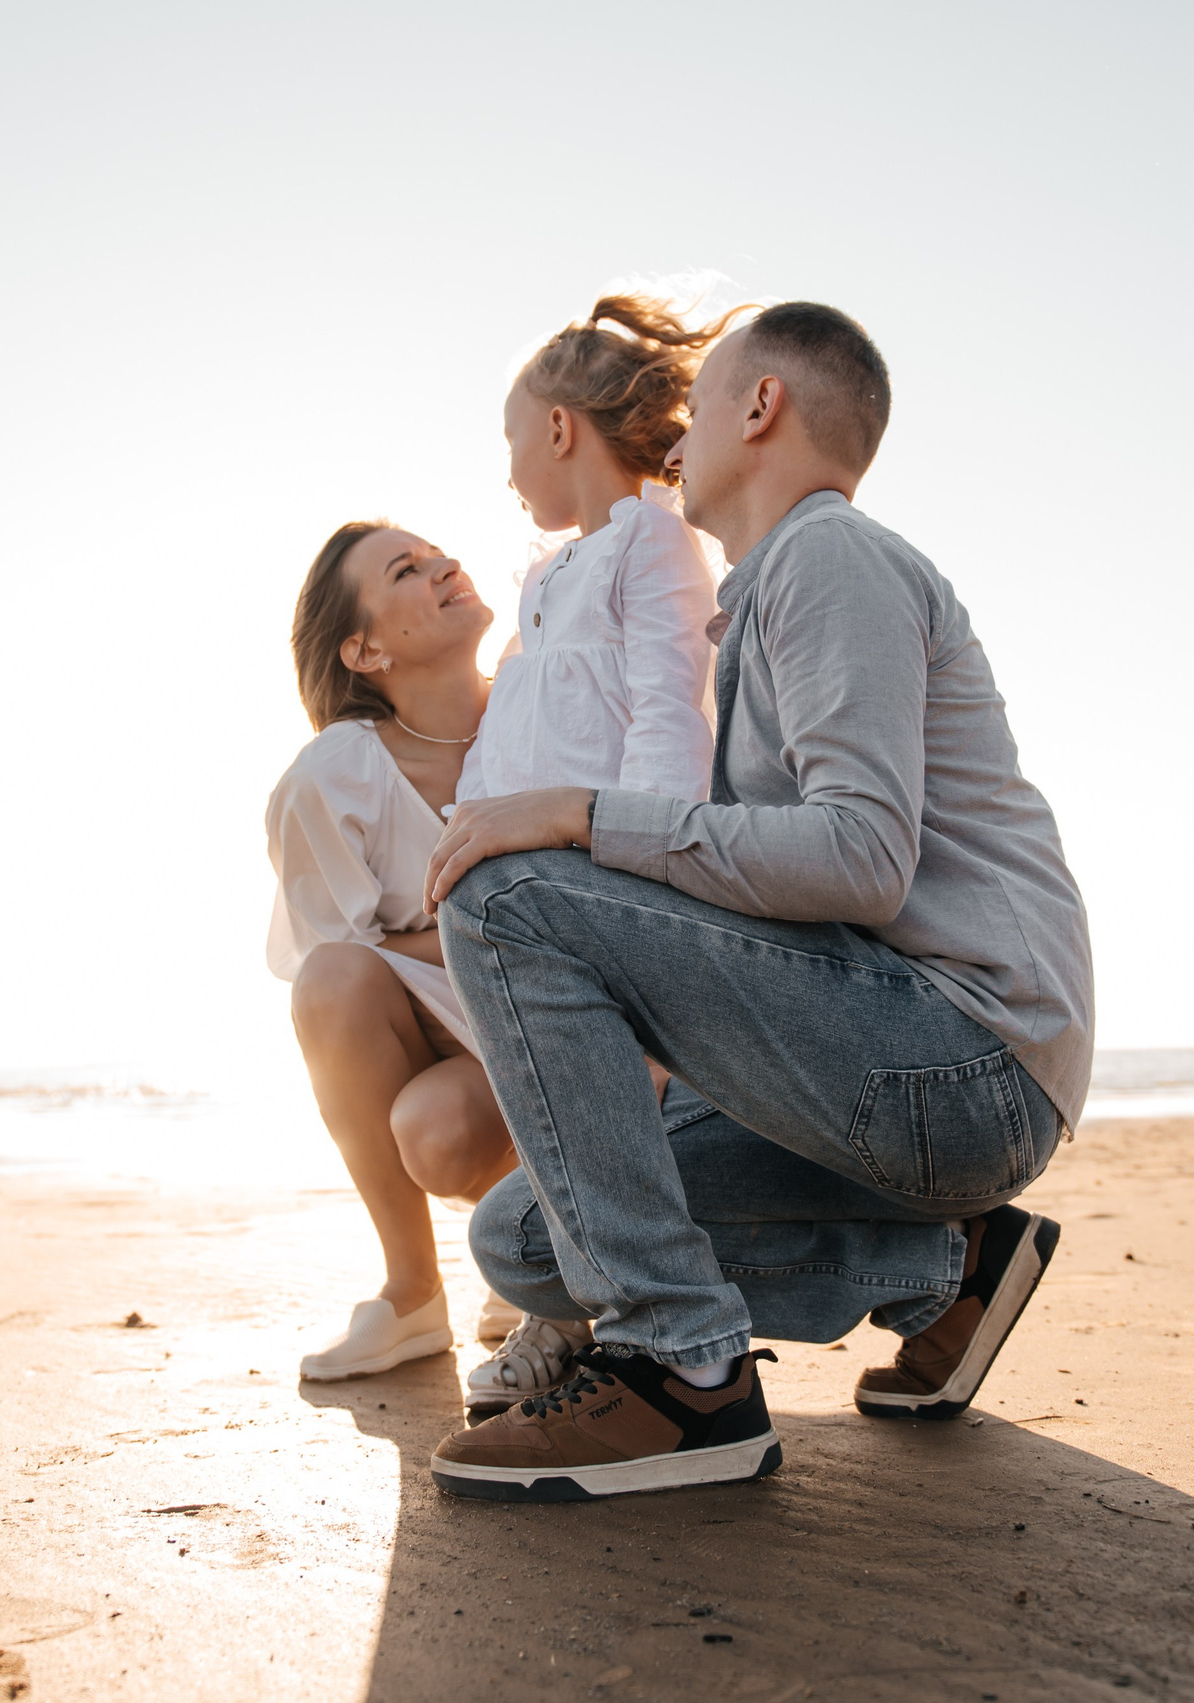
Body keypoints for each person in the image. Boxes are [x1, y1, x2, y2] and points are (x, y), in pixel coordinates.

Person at [419, 302, 1096, 1502]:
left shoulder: (829, 556)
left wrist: (577, 814)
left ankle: (681, 1375)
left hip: (964, 1056)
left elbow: (858, 857)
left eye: (699, 405)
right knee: (524, 1237)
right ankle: (950, 1267)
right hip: (897, 1061)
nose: (674, 437)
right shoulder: (769, 591)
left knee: (506, 894)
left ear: (762, 406)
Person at [456, 295, 726, 1419]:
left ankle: (575, 1313)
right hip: (528, 882)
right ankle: (558, 1295)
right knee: (552, 1101)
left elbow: (668, 708)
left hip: (604, 872)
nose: (508, 467)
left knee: (601, 1103)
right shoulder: (545, 576)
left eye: (512, 436)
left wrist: (638, 854)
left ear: (560, 428)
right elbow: (518, 726)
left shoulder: (652, 542)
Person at [268, 522, 515, 1380]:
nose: (445, 565)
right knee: (334, 986)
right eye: (407, 570)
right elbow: (341, 962)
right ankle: (412, 1293)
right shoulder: (332, 779)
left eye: (437, 552)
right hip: (454, 1026)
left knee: (437, 1124)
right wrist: (481, 929)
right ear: (365, 650)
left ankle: (536, 1246)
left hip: (578, 1015)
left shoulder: (542, 702)